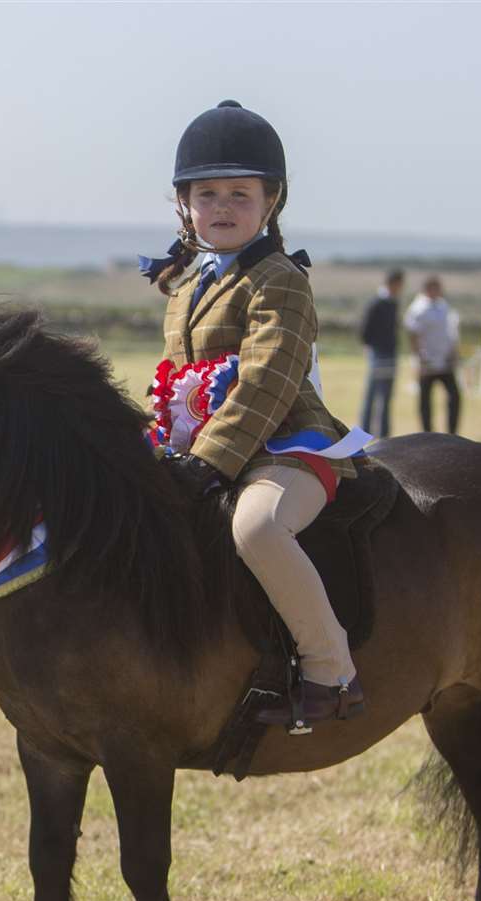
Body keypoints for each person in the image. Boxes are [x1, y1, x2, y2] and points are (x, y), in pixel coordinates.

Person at [140, 100, 372, 730]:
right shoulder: (185, 288)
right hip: (202, 451)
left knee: (257, 530)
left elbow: (268, 380)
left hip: (287, 448)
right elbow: (174, 383)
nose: (222, 206)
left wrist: (207, 463)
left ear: (271, 201)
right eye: (206, 193)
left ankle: (332, 668)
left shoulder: (279, 279)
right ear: (184, 204)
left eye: (240, 194)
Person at [403, 275, 461, 434]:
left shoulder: (443, 306)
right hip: (427, 361)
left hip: (445, 360)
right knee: (425, 400)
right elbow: (413, 335)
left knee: (454, 396)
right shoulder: (418, 309)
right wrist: (420, 358)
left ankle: (452, 432)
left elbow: (450, 331)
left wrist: (453, 352)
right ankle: (427, 432)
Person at [358, 269, 404, 439]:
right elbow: (365, 330)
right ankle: (365, 431)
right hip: (378, 354)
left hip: (391, 353)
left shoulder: (394, 303)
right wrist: (371, 347)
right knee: (372, 394)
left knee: (387, 395)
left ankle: (384, 433)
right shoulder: (376, 303)